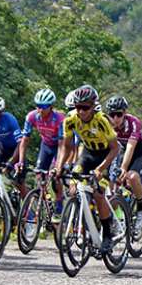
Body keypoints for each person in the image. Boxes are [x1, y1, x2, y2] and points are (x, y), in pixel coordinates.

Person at [53, 85, 121, 252]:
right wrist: (58, 167)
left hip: (106, 155)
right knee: (74, 185)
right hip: (89, 153)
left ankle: (107, 233)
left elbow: (115, 148)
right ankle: (84, 225)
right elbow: (66, 147)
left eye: (85, 108)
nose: (81, 111)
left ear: (93, 106)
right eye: (78, 107)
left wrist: (101, 168)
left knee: (98, 194)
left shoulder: (102, 120)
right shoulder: (70, 119)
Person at [104, 95, 142, 233]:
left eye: (119, 114)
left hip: (141, 152)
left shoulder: (133, 122)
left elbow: (131, 147)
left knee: (131, 177)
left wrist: (123, 168)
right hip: (122, 152)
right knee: (112, 185)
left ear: (124, 113)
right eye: (112, 114)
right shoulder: (106, 125)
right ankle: (118, 218)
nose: (115, 118)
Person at [18, 89, 65, 220]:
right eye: (38, 106)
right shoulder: (32, 116)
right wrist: (21, 161)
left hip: (58, 147)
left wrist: (58, 166)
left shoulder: (59, 119)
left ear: (51, 107)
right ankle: (46, 200)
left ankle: (59, 203)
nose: (40, 110)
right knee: (39, 174)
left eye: (43, 107)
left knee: (56, 176)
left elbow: (62, 145)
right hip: (46, 145)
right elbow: (24, 140)